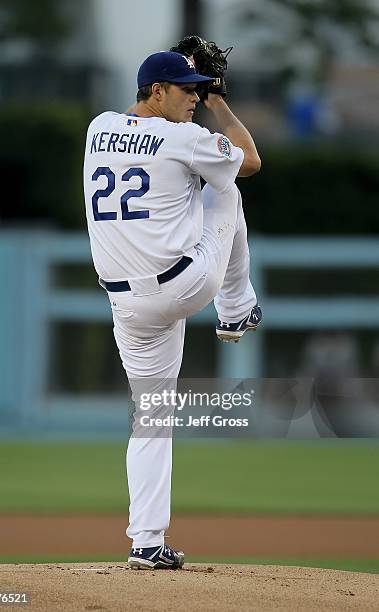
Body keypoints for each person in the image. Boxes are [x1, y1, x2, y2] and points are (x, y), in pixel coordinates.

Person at [83, 50, 261, 570]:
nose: (196, 99)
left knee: (151, 418)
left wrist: (186, 77)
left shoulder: (98, 127)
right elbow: (249, 160)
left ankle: (146, 541)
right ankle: (235, 309)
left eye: (201, 91)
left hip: (127, 306)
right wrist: (222, 105)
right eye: (188, 91)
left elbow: (135, 136)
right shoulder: (183, 136)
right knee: (227, 187)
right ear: (156, 91)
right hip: (185, 285)